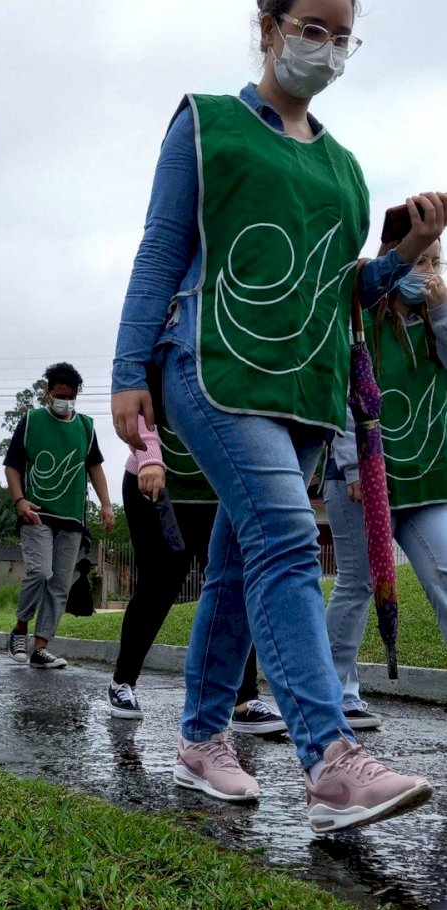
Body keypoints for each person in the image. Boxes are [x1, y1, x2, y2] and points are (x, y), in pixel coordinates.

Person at [111, 0, 445, 831]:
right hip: (213, 367)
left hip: (306, 390)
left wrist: (402, 254)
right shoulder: (207, 123)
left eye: (342, 34)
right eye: (311, 27)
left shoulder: (344, 167)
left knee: (234, 563)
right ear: (268, 24)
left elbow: (347, 292)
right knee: (289, 538)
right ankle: (330, 760)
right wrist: (126, 372)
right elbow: (160, 247)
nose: (326, 48)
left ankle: (199, 741)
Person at [325, 237, 447, 729]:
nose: (431, 271)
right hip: (362, 478)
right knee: (359, 582)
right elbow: (343, 395)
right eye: (421, 260)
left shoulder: (437, 324)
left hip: (427, 481)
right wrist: (353, 466)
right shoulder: (361, 322)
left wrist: (440, 315)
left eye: (438, 261)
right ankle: (336, 692)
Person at [109, 409, 286, 738]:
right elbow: (137, 406)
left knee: (234, 585)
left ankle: (244, 700)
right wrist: (149, 456)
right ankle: (123, 681)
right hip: (154, 482)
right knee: (160, 584)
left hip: (214, 488)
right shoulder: (161, 356)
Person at [5, 362, 115, 668]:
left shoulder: (86, 427)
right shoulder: (30, 422)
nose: (63, 401)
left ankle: (40, 647)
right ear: (47, 393)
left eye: (69, 396)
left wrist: (106, 505)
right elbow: (12, 464)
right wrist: (20, 501)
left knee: (59, 585)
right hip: (36, 514)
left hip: (72, 519)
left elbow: (95, 468)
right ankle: (19, 629)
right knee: (40, 572)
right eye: (58, 395)